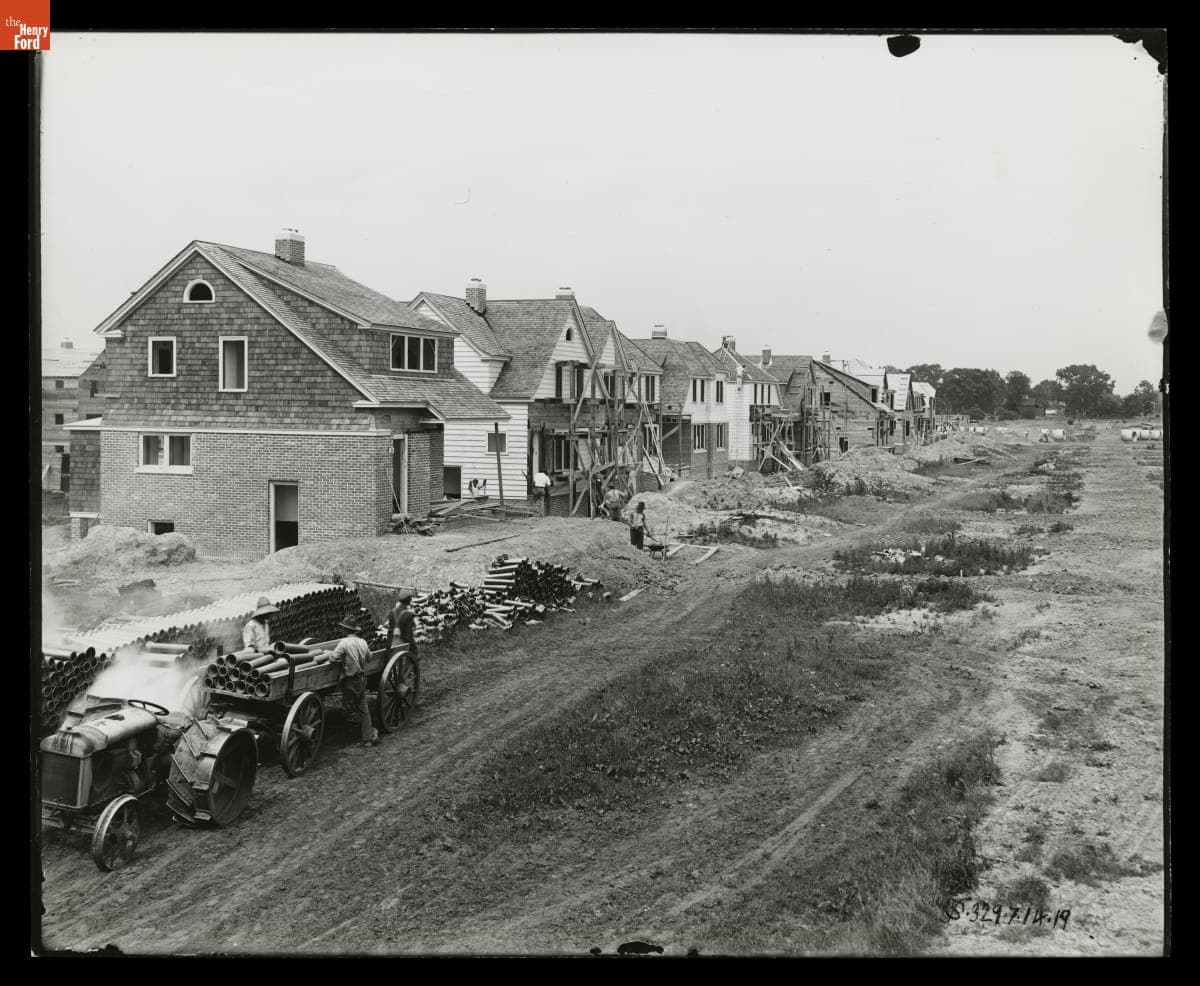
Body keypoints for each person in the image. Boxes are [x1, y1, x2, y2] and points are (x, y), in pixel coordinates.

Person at [331, 618, 379, 748]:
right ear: (355, 630)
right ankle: (368, 739)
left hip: (350, 681)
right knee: (364, 709)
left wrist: (331, 655)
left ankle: (347, 736)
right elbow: (370, 657)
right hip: (361, 679)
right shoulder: (363, 642)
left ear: (345, 629)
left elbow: (333, 658)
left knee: (348, 707)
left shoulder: (344, 643)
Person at [387, 589, 418, 665]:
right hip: (403, 645)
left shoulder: (392, 612)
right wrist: (414, 648)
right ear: (409, 601)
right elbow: (409, 636)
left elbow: (390, 630)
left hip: (391, 644)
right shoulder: (408, 615)